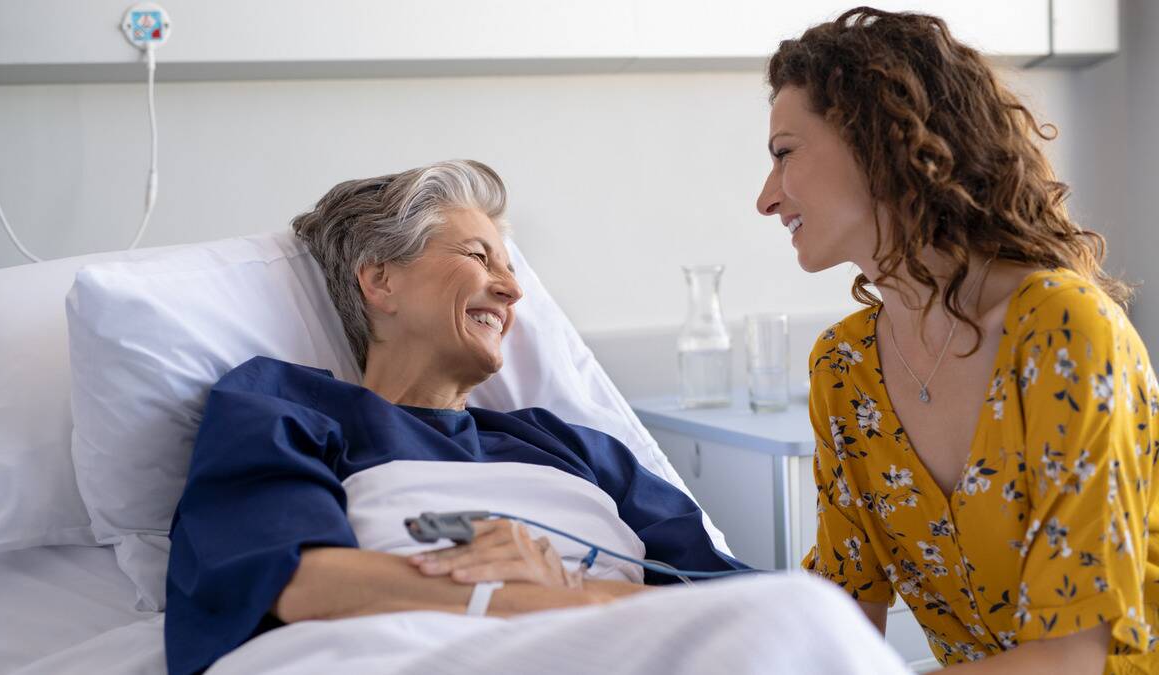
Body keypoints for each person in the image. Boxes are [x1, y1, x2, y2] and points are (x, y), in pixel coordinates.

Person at [162, 160, 752, 675]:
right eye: (478, 255)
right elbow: (291, 581)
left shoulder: (574, 449)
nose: (513, 290)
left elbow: (735, 602)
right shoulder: (285, 406)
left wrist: (570, 589)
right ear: (380, 280)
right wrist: (536, 602)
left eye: (511, 267)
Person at [756, 7, 1158, 673]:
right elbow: (840, 616)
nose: (767, 198)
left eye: (783, 154)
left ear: (873, 138)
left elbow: (1071, 660)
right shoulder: (845, 368)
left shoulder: (1063, 330)